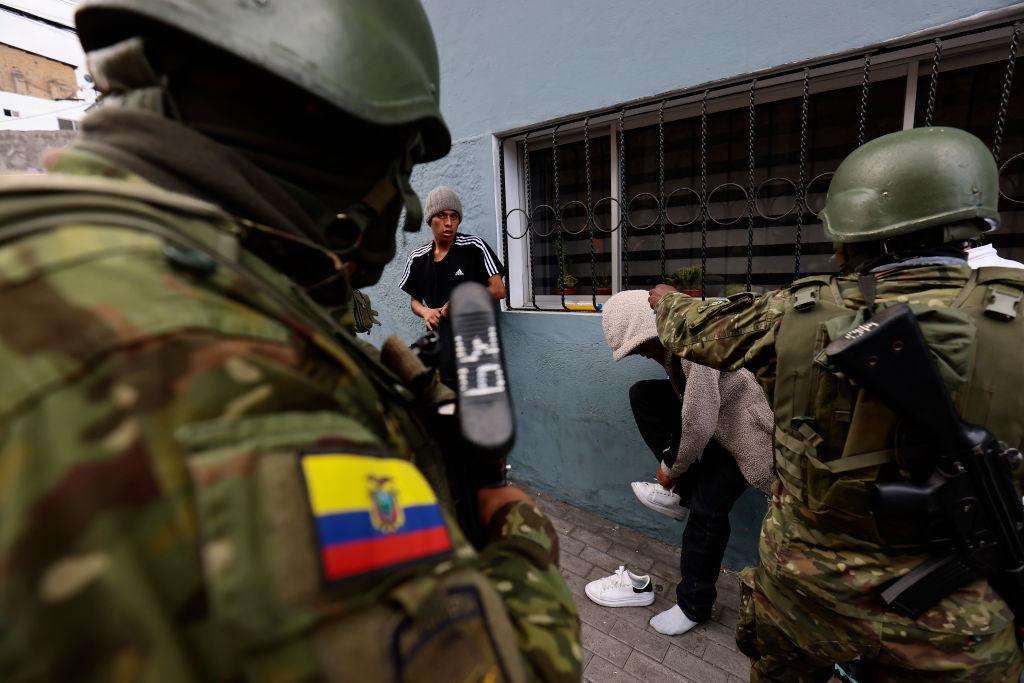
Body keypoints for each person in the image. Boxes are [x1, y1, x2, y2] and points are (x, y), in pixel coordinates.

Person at [0, 2, 580, 681]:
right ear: (327, 129)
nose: (415, 209)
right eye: (399, 164)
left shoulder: (56, 251)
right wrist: (518, 532)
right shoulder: (240, 387)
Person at [648, 127, 1024, 681]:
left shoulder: (796, 315)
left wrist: (667, 300)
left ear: (850, 235)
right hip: (958, 620)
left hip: (808, 591)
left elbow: (694, 330)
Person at [586, 290, 773, 635]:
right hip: (721, 420)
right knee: (643, 394)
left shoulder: (693, 343)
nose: (640, 354)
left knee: (707, 511)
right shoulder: (673, 343)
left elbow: (699, 420)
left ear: (650, 328)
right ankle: (684, 494)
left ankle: (694, 606)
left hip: (746, 434)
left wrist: (668, 472)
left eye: (640, 345)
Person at [400, 185, 506, 388]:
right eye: (441, 216)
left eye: (454, 216)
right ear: (430, 219)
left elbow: (499, 290)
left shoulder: (474, 246)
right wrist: (426, 312)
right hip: (439, 348)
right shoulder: (417, 258)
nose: (449, 223)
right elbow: (414, 301)